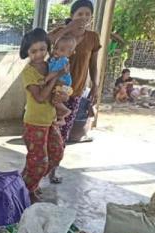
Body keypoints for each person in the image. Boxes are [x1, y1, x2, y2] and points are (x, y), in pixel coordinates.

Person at [48, 0, 101, 182]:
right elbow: (44, 43)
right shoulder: (60, 33)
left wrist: (95, 83)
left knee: (63, 131)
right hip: (52, 90)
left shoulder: (93, 37)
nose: (83, 18)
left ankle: (53, 170)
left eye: (87, 14)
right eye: (80, 14)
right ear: (72, 16)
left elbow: (93, 64)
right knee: (46, 129)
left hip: (75, 90)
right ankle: (39, 167)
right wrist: (67, 28)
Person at [20, 28, 67, 202]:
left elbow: (60, 88)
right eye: (33, 51)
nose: (39, 54)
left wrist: (63, 92)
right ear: (26, 52)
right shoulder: (28, 72)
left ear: (48, 47)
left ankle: (28, 182)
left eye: (42, 49)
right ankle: (28, 190)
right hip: (34, 122)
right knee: (39, 161)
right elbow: (40, 97)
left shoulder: (52, 65)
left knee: (56, 153)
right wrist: (56, 77)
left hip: (50, 119)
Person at [44, 35, 77, 123]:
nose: (57, 51)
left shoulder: (62, 60)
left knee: (55, 100)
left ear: (69, 53)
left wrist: (45, 80)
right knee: (54, 101)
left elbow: (54, 73)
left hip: (63, 85)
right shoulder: (54, 59)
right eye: (55, 48)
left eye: (61, 50)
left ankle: (66, 111)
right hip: (60, 84)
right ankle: (62, 119)